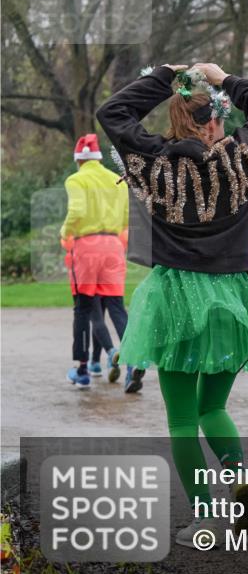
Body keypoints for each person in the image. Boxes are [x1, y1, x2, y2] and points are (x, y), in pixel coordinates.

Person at [96, 62, 248, 547]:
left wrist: (164, 77)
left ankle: (204, 518)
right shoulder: (241, 156)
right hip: (230, 296)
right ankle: (238, 471)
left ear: (175, 119)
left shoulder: (154, 160)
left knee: (181, 419)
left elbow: (113, 112)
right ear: (217, 120)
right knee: (213, 407)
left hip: (175, 296)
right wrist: (223, 79)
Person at [60, 133, 141, 391]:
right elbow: (127, 218)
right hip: (114, 247)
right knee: (117, 308)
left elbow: (77, 211)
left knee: (83, 309)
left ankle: (83, 370)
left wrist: (65, 232)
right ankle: (133, 362)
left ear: (78, 160)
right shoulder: (117, 180)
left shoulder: (76, 179)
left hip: (86, 247)